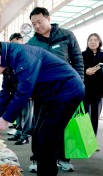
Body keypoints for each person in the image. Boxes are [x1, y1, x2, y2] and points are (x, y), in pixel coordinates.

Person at [0, 41, 84, 176]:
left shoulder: (21, 55)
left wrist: (5, 119)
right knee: (39, 137)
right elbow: (6, 92)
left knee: (46, 139)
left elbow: (24, 90)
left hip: (66, 92)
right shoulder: (8, 62)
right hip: (50, 96)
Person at [27, 6, 84, 172]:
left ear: (48, 18)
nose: (37, 26)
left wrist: (80, 83)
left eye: (39, 21)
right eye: (33, 24)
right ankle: (37, 159)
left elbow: (78, 61)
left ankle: (63, 158)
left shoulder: (67, 35)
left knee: (61, 127)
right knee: (38, 128)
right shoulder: (32, 42)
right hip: (43, 94)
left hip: (66, 91)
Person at [6, 33, 33, 145]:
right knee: (19, 112)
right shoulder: (14, 54)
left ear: (21, 40)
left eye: (15, 43)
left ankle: (25, 135)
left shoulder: (28, 52)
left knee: (27, 114)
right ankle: (19, 131)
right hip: (17, 88)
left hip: (27, 88)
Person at [82, 33, 103, 139]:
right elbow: (77, 68)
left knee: (95, 116)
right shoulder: (82, 55)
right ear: (87, 42)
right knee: (84, 115)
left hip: (98, 91)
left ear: (99, 42)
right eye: (90, 40)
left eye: (95, 40)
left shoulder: (102, 55)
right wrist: (85, 71)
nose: (93, 42)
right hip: (85, 89)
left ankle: (92, 140)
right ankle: (84, 139)